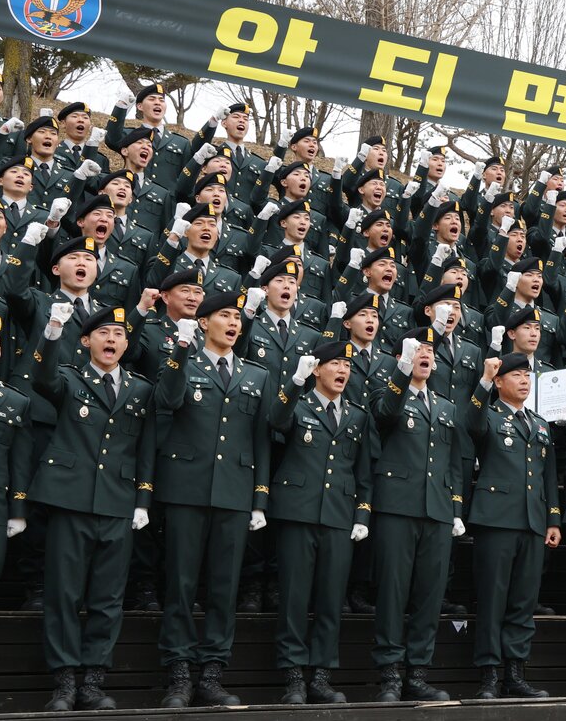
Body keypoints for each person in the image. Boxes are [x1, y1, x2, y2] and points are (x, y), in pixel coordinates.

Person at [19, 305, 155, 712]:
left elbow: (145, 448)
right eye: (103, 333)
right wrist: (52, 330)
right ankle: (64, 681)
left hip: (117, 502)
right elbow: (41, 377)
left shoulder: (140, 389)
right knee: (63, 593)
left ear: (126, 344)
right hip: (71, 499)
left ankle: (93, 680)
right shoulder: (70, 378)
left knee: (108, 597)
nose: (111, 339)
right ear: (85, 341)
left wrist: (142, 499)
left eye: (118, 334)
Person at [153, 292, 270, 708]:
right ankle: (179, 673)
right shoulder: (183, 361)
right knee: (181, 585)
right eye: (224, 315)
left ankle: (212, 672)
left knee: (224, 588)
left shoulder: (256, 374)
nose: (234, 323)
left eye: (237, 317)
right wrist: (180, 351)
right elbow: (166, 401)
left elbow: (261, 439)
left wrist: (259, 497)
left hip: (234, 492)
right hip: (186, 487)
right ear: (203, 322)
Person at [270, 341, 376, 705]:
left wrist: (362, 514)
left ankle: (321, 675)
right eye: (335, 364)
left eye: (347, 366)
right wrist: (294, 383)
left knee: (331, 600)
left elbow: (363, 471)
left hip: (339, 516)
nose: (343, 371)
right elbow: (276, 420)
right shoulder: (298, 404)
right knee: (294, 598)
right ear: (317, 369)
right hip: (298, 512)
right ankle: (293, 677)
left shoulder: (358, 415)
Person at [367, 328, 463, 702]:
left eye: (429, 351)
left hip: (437, 510)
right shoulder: (387, 392)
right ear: (402, 358)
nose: (426, 354)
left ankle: (418, 671)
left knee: (429, 594)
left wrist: (455, 508)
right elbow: (385, 414)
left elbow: (453, 463)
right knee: (393, 592)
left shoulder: (445, 406)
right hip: (398, 506)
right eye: (417, 350)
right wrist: (402, 371)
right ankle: (390, 673)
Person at [460, 352, 560, 699]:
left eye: (527, 376)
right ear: (500, 382)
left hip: (532, 521)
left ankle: (515, 673)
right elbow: (471, 424)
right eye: (516, 375)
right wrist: (484, 380)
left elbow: (549, 476)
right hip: (496, 519)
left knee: (523, 601)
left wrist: (553, 519)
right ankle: (489, 674)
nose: (523, 381)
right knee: (493, 599)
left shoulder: (540, 423)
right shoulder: (488, 414)